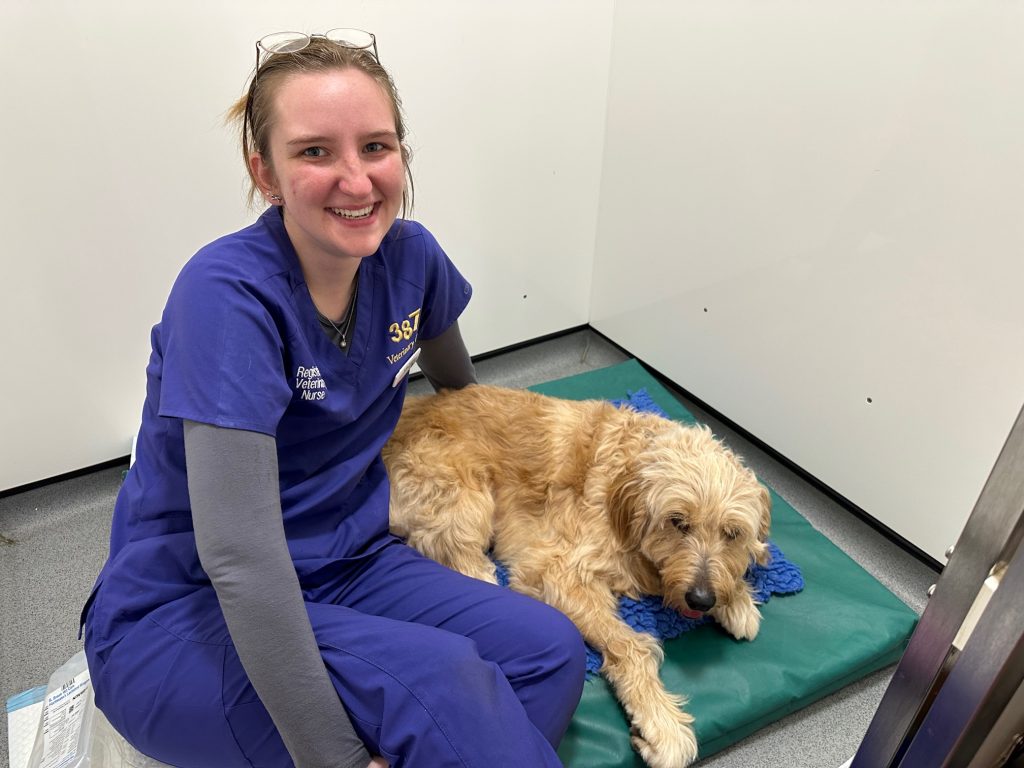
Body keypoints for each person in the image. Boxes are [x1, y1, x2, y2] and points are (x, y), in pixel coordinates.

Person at [80, 29, 586, 768]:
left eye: (376, 147)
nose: (357, 180)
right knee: (448, 688)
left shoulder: (412, 259)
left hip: (348, 566)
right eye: (315, 151)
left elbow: (458, 382)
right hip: (189, 609)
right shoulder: (228, 295)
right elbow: (242, 559)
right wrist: (335, 758)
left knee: (550, 653)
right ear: (266, 171)